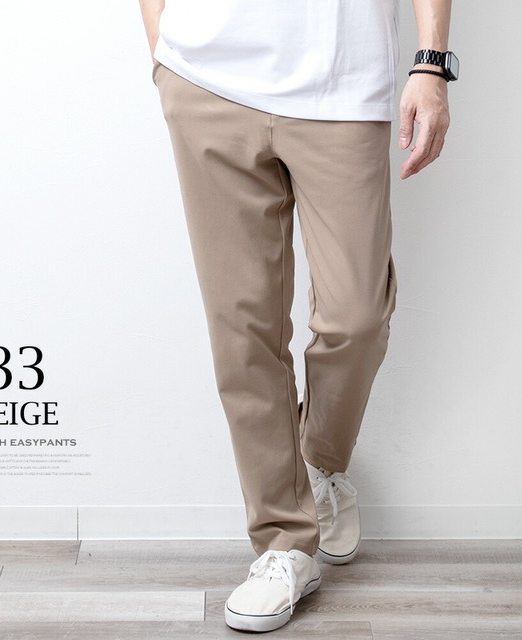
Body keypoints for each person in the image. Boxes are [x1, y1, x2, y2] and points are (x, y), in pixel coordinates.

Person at [139, 0, 456, 633]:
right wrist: (162, 48)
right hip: (206, 79)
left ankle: (320, 458)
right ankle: (283, 544)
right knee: (242, 328)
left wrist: (431, 64)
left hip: (343, 81)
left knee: (357, 316)